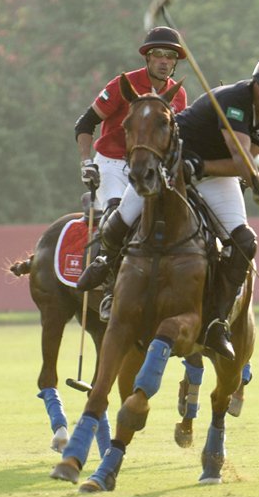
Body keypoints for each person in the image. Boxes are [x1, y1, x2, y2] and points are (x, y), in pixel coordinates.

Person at [106, 54, 259, 358]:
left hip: (212, 174)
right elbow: (240, 155)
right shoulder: (235, 99)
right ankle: (107, 283)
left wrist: (203, 167)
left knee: (244, 242)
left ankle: (216, 323)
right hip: (170, 165)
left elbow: (248, 161)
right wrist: (257, 183)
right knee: (119, 223)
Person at [72, 26, 189, 319]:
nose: (164, 60)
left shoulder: (178, 95)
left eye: (170, 55)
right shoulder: (122, 85)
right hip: (112, 164)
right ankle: (110, 287)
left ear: (175, 61)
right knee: (118, 216)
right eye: (158, 54)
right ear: (147, 57)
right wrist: (86, 162)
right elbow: (85, 123)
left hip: (151, 169)